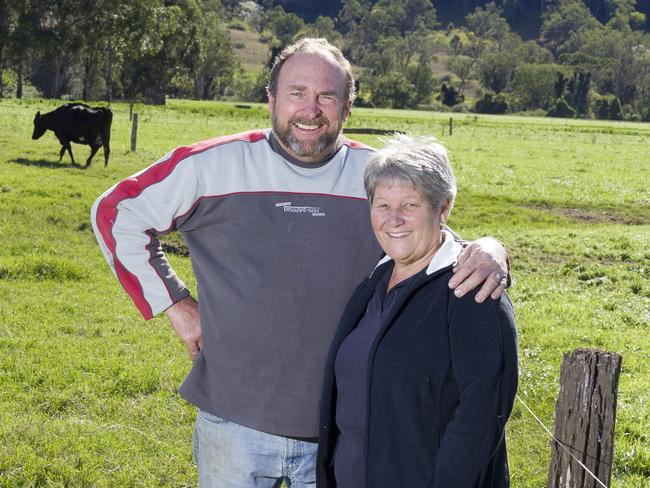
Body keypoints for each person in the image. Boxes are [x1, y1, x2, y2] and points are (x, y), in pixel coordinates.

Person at [91, 38, 510, 487]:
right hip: (234, 424)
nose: (310, 110)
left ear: (347, 107)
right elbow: (116, 213)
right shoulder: (213, 165)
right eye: (296, 93)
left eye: (326, 96)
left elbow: (433, 240)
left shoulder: (375, 174)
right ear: (270, 98)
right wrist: (176, 305)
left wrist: (489, 248)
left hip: (342, 434)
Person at [316, 135, 518, 488]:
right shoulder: (377, 277)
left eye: (410, 204)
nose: (394, 219)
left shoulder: (471, 289)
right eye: (382, 205)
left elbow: (479, 421)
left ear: (443, 208)